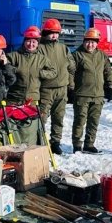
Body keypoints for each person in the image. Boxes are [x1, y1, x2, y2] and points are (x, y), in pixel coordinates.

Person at [69, 28, 112, 154]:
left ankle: (89, 144)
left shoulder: (102, 55)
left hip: (98, 95)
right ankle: (77, 145)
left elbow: (108, 72)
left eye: (93, 42)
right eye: (88, 42)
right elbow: (70, 73)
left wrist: (110, 86)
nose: (90, 45)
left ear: (97, 43)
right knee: (80, 121)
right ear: (84, 42)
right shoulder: (77, 55)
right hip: (82, 94)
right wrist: (71, 88)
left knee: (94, 122)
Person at [36, 18, 74, 155]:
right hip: (46, 89)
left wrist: (71, 84)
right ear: (45, 32)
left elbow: (71, 66)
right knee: (42, 119)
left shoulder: (63, 48)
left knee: (59, 118)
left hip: (62, 89)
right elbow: (35, 68)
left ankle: (55, 143)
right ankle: (39, 143)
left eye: (56, 33)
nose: (54, 35)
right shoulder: (39, 48)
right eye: (51, 33)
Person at [5, 26, 57, 105]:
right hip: (14, 98)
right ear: (24, 42)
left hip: (32, 99)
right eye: (28, 41)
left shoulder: (42, 59)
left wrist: (41, 73)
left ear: (37, 44)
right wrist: (16, 70)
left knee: (32, 117)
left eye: (34, 42)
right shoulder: (14, 56)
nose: (31, 44)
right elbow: (4, 66)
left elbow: (53, 72)